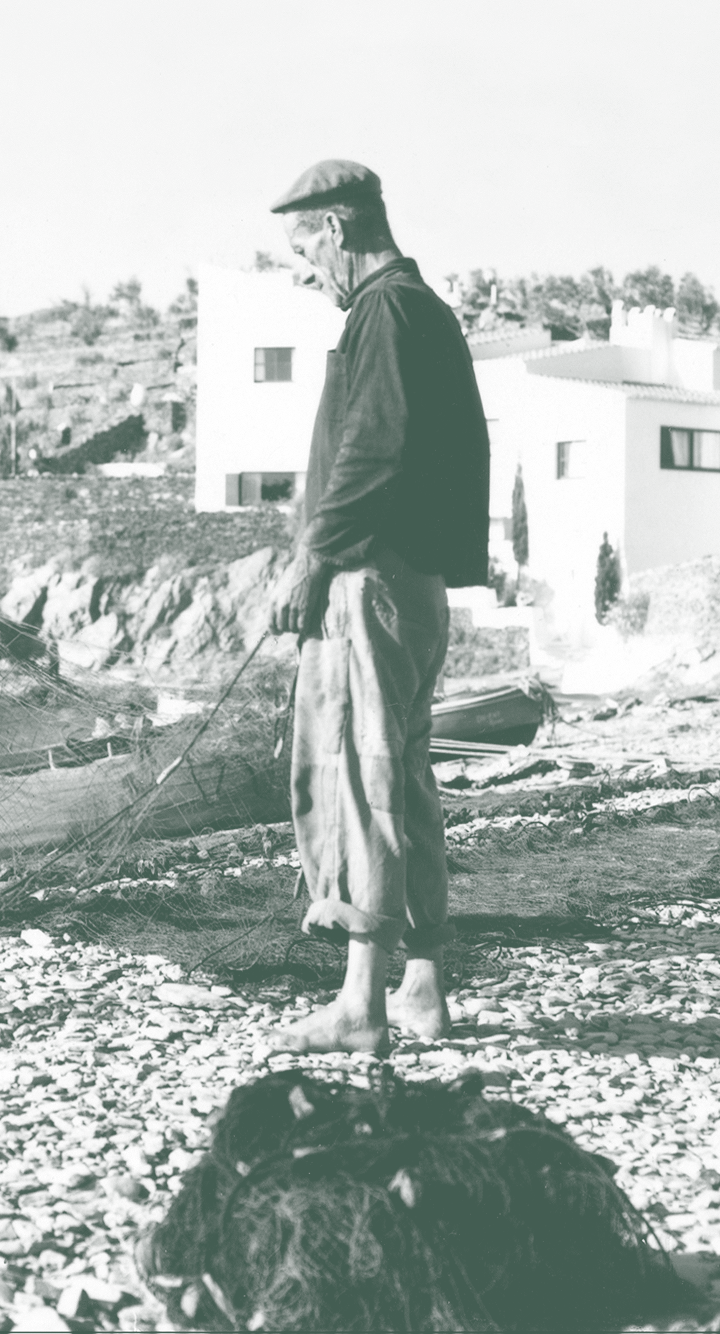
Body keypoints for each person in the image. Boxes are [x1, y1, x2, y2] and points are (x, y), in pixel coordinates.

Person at [264, 161, 491, 1055]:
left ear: (337, 230)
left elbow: (370, 451)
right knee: (405, 777)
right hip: (411, 586)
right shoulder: (419, 309)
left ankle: (360, 1003)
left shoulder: (385, 310)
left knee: (361, 780)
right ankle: (423, 986)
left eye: (304, 250)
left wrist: (310, 561)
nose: (306, 271)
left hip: (372, 580)